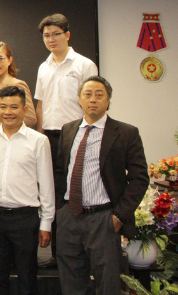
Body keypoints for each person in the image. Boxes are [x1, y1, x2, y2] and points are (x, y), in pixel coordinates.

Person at [54, 76, 148, 295]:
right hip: (69, 217)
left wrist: (119, 216)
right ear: (79, 99)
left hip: (104, 219)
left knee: (108, 284)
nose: (93, 99)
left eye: (99, 95)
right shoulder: (68, 130)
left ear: (108, 100)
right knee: (71, 283)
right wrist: (60, 210)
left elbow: (139, 179)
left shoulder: (126, 133)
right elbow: (60, 172)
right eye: (87, 94)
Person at [35, 13, 98, 263]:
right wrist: (41, 136)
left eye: (56, 34)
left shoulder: (84, 65)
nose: (51, 39)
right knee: (52, 191)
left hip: (75, 136)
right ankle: (56, 254)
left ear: (67, 35)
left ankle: (81, 254)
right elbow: (41, 105)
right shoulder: (43, 67)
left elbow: (92, 102)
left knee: (75, 191)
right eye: (46, 35)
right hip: (49, 137)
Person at [0, 86, 54, 295]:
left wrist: (46, 223)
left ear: (25, 109)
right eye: (3, 107)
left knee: (27, 277)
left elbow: (46, 184)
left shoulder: (39, 141)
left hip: (25, 218)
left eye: (14, 107)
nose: (8, 112)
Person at [0, 41, 36, 130]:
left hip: (10, 137)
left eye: (0, 58)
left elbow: (30, 119)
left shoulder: (17, 85)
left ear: (10, 60)